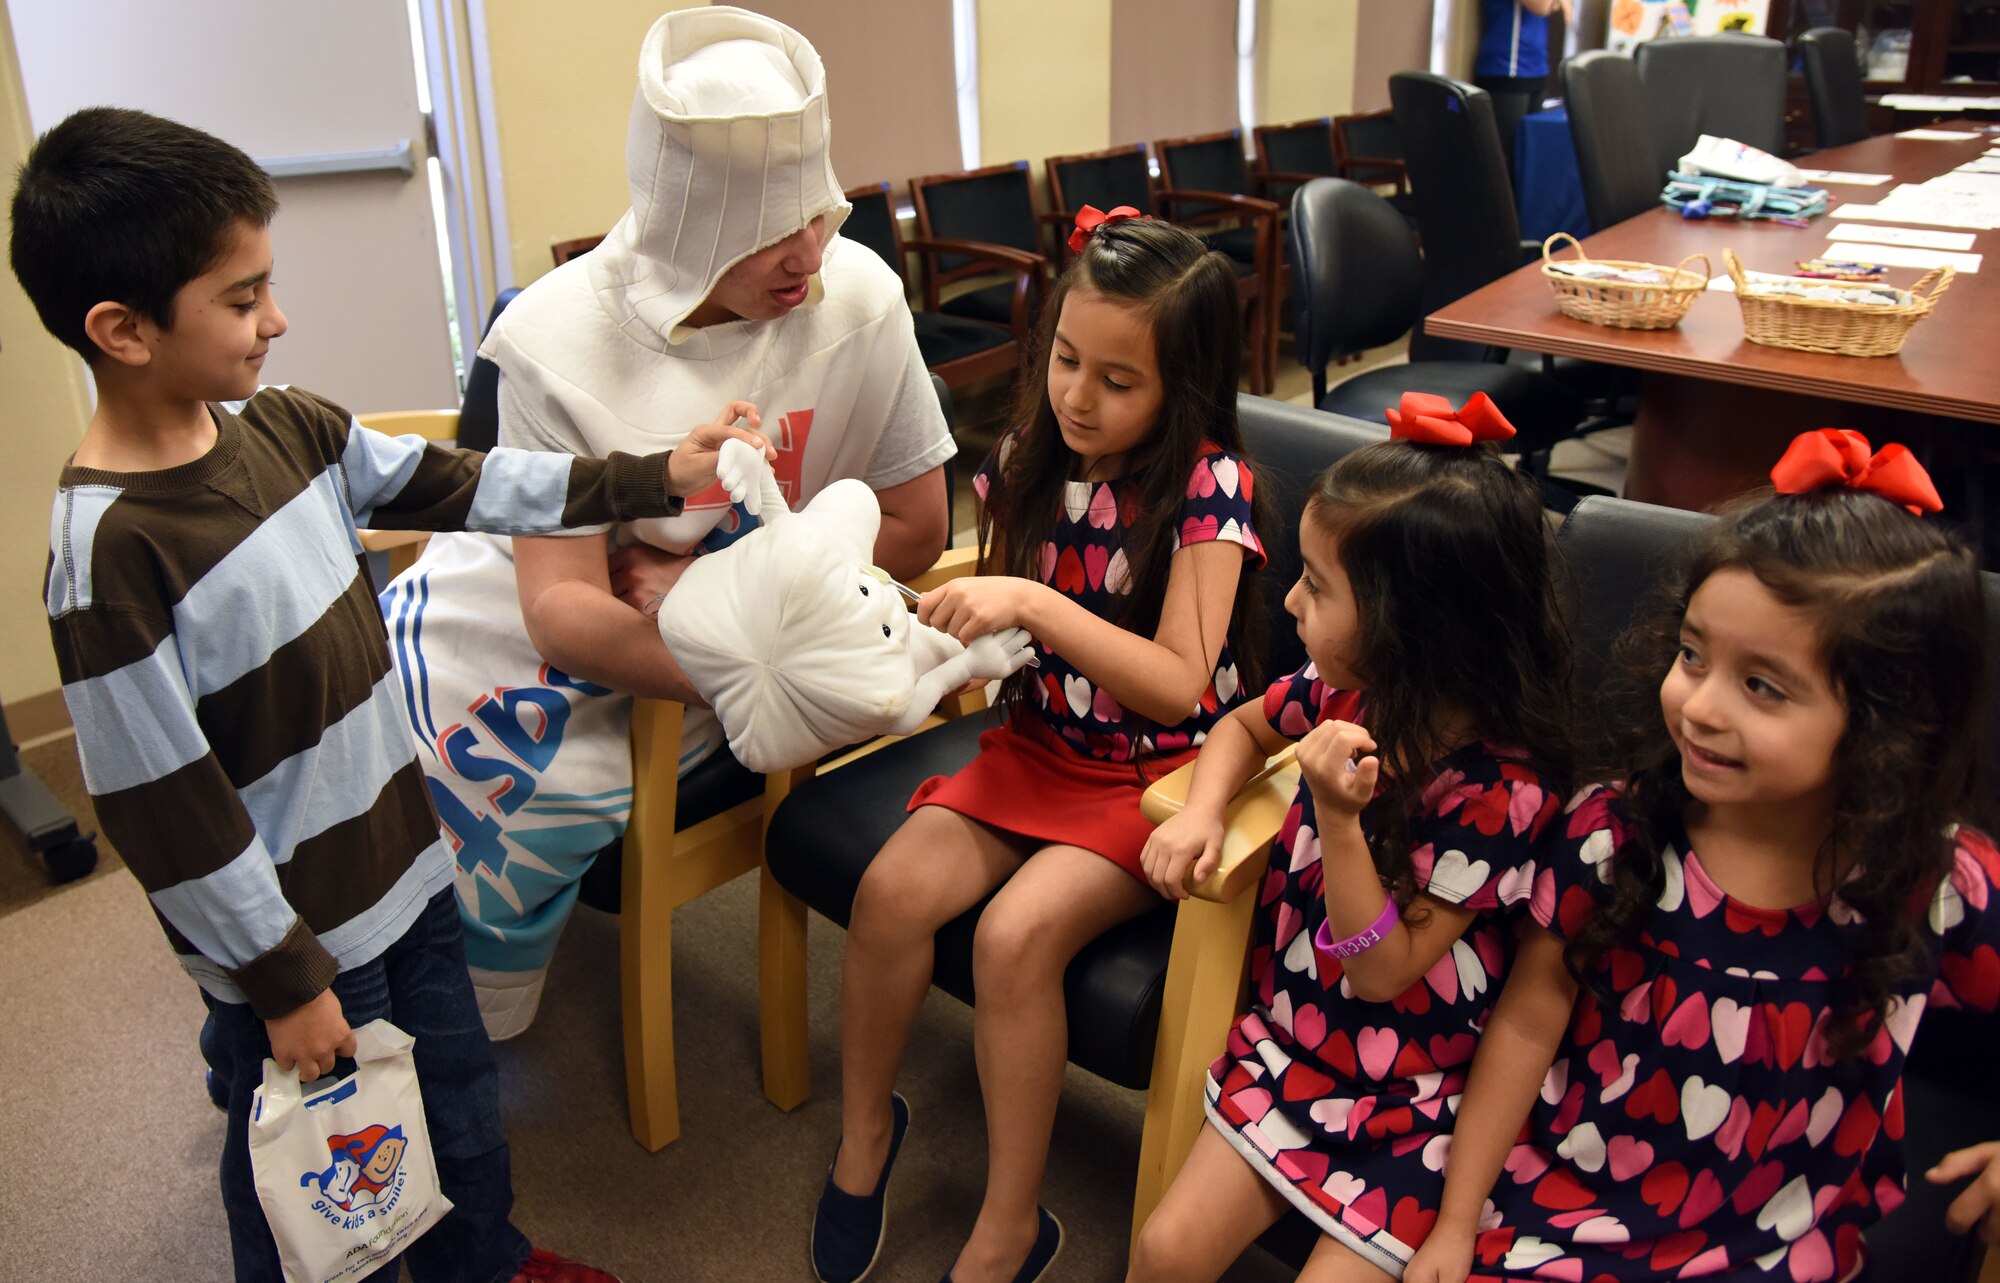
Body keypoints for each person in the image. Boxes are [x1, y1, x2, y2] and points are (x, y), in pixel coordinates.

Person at [14, 105, 772, 1283]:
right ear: (121, 329)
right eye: (241, 298)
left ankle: (485, 1257)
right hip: (298, 936)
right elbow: (168, 813)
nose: (277, 319)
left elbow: (469, 483)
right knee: (321, 1165)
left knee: (459, 1105)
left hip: (410, 869)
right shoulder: (107, 558)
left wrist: (653, 473)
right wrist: (283, 981)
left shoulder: (285, 424)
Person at [382, 5, 954, 1039]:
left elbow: (914, 522)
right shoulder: (558, 339)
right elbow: (555, 606)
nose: (808, 258)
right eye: (767, 235)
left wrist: (732, 623)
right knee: (375, 734)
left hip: (721, 645)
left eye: (817, 217)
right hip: (538, 621)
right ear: (690, 230)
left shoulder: (860, 299)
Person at [1405, 430, 2000, 1283]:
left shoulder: (1937, 884)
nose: (1700, 705)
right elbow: (1530, 1020)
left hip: (1779, 1247)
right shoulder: (1612, 834)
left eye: (1763, 684)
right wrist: (1456, 1222)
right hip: (1569, 1213)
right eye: (1692, 655)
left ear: (1888, 721)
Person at [807, 212, 1266, 1283]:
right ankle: (867, 1134)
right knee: (887, 895)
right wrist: (932, 636)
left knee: (1016, 938)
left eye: (1116, 379)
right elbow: (1012, 635)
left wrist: (1029, 601)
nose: (1075, 396)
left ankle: (1011, 1225)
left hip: (1156, 775)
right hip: (1035, 743)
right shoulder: (1028, 457)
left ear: (1181, 388)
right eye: (1064, 358)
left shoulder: (1209, 488)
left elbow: (1175, 680)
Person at [1125, 394, 1575, 1282]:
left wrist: (1336, 817)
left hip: (1413, 1098)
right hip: (1293, 1042)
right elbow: (1240, 728)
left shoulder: (1501, 792)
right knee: (1163, 1251)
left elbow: (1383, 968)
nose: (1289, 599)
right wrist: (1207, 809)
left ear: (1417, 628)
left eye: (1318, 586)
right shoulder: (1340, 689)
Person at [1475, 0, 1570, 177]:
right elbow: (1542, 7)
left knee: (1528, 160)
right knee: (1505, 161)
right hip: (1506, 69)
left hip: (1537, 67)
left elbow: (1567, 14)